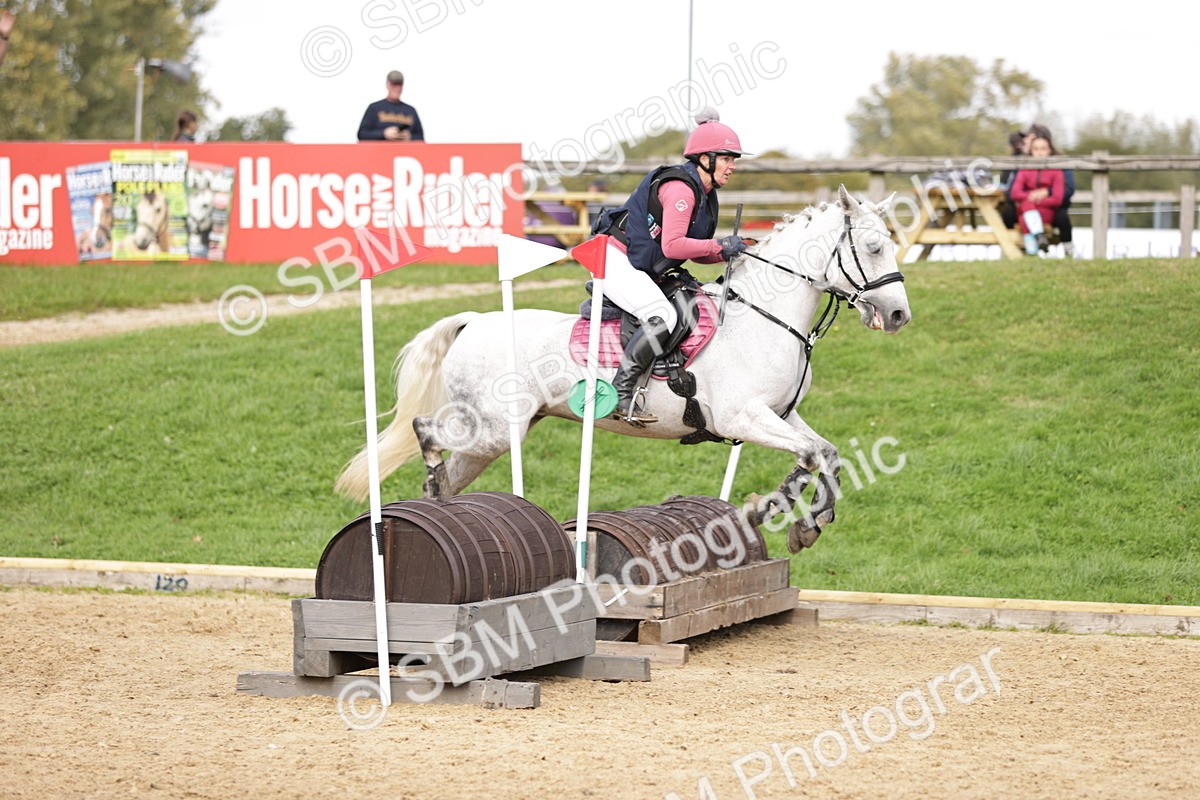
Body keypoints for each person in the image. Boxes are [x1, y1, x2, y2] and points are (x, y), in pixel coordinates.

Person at [590, 108, 751, 424]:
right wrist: (719, 245)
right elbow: (673, 246)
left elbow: (694, 252)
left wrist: (726, 253)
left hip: (639, 265)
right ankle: (621, 394)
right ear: (706, 158)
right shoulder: (680, 188)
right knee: (662, 314)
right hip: (612, 260)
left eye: (734, 160)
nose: (733, 166)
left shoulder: (706, 194)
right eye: (728, 158)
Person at [1009, 135, 1065, 255]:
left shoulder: (1056, 171)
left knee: (1024, 216)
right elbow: (1014, 193)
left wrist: (1031, 199)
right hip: (1027, 209)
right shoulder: (1025, 169)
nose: (1039, 152)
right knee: (1025, 210)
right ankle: (1039, 235)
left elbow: (1057, 199)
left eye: (1043, 149)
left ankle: (1032, 251)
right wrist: (1034, 195)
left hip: (1045, 211)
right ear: (1031, 151)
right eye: (1036, 149)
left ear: (1049, 150)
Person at [357, 70, 424, 142]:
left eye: (399, 84)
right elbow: (362, 134)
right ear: (387, 84)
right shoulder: (374, 108)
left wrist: (409, 136)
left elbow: (421, 138)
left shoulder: (411, 110)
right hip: (380, 151)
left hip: (405, 151)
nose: (397, 88)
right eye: (394, 84)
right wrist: (383, 134)